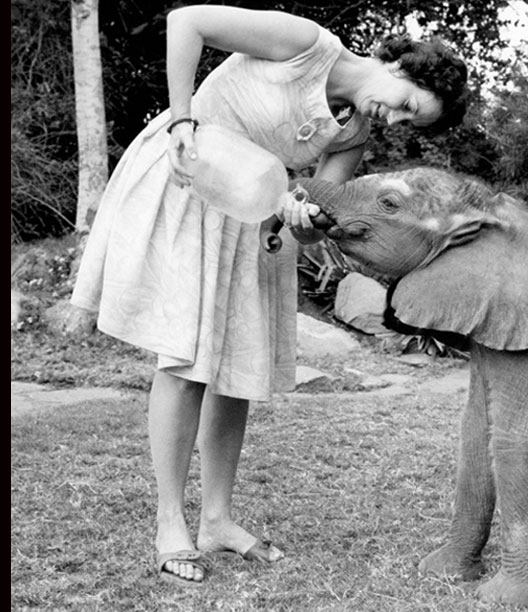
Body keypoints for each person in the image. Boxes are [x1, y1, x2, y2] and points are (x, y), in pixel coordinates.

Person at [70, 5, 468, 587]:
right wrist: (182, 122)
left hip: (248, 214)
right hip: (188, 175)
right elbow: (186, 22)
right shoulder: (307, 45)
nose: (395, 119)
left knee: (238, 370)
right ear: (396, 62)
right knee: (184, 358)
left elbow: (313, 206)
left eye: (410, 123)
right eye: (407, 104)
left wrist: (305, 216)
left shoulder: (352, 131)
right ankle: (169, 525)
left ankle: (218, 520)